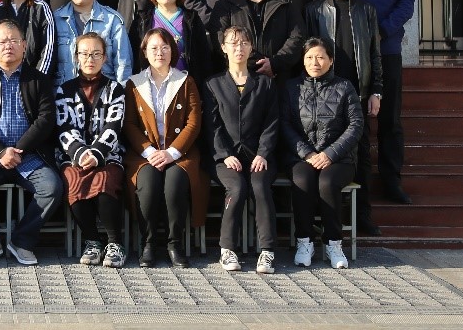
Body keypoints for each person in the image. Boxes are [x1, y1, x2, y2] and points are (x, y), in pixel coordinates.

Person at [0, 20, 60, 267]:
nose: (8, 46)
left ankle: (22, 242)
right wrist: (0, 152)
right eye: (2, 41)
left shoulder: (38, 80)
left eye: (14, 40)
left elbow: (46, 119)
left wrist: (18, 150)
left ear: (24, 45)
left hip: (29, 155)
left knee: (51, 187)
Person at [304, 0, 384, 235]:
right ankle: (319, 216)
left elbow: (375, 53)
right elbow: (308, 54)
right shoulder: (313, 10)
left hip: (357, 93)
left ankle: (363, 215)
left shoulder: (366, 9)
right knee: (319, 152)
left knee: (362, 154)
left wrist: (376, 90)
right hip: (323, 94)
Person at [345, 0, 416, 206]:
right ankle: (357, 182)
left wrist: (381, 31)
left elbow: (406, 3)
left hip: (387, 49)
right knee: (354, 119)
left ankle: (391, 180)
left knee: (390, 120)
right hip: (353, 54)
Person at [124, 29, 206, 268]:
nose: (159, 52)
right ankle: (148, 243)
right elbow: (129, 124)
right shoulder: (134, 84)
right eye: (153, 48)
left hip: (180, 152)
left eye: (165, 47)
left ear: (173, 51)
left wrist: (171, 153)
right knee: (148, 187)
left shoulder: (186, 81)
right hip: (145, 154)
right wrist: (150, 152)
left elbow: (194, 122)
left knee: (174, 185)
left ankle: (174, 243)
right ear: (144, 52)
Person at [282, 38, 365, 270]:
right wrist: (307, 153)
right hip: (302, 157)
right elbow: (284, 125)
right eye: (309, 57)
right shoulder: (291, 87)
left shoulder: (345, 87)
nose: (314, 62)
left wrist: (329, 154)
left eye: (320, 57)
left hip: (339, 158)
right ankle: (304, 242)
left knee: (327, 183)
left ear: (330, 60)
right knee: (302, 180)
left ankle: (333, 243)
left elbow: (356, 125)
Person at [205, 25, 279, 275]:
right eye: (233, 43)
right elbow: (212, 125)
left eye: (244, 43)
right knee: (236, 188)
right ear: (223, 48)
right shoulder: (213, 84)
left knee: (260, 186)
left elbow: (272, 122)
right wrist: (225, 155)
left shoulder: (265, 83)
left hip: (259, 156)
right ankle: (227, 249)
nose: (239, 48)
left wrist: (263, 152)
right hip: (225, 158)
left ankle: (267, 251)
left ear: (251, 47)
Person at [55, 32, 128, 269]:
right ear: (76, 57)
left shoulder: (115, 89)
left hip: (108, 154)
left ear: (105, 57)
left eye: (96, 54)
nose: (90, 59)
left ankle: (115, 242)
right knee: (73, 179)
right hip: (73, 156)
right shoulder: (64, 90)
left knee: (104, 180)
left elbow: (114, 125)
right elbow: (64, 127)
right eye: (85, 54)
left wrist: (97, 153)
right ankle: (92, 241)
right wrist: (80, 153)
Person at [209, 0, 304, 80]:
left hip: (278, 78)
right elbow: (219, 39)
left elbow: (297, 38)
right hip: (238, 78)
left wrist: (274, 63)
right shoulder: (225, 5)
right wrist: (254, 63)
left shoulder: (285, 5)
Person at [130, 0, 218, 82]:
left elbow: (203, 57)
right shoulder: (142, 20)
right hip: (150, 84)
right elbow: (133, 56)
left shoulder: (191, 19)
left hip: (185, 83)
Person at [52, 0, 133, 84]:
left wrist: (120, 92)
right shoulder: (55, 20)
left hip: (104, 92)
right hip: (65, 92)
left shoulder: (112, 20)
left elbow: (123, 64)